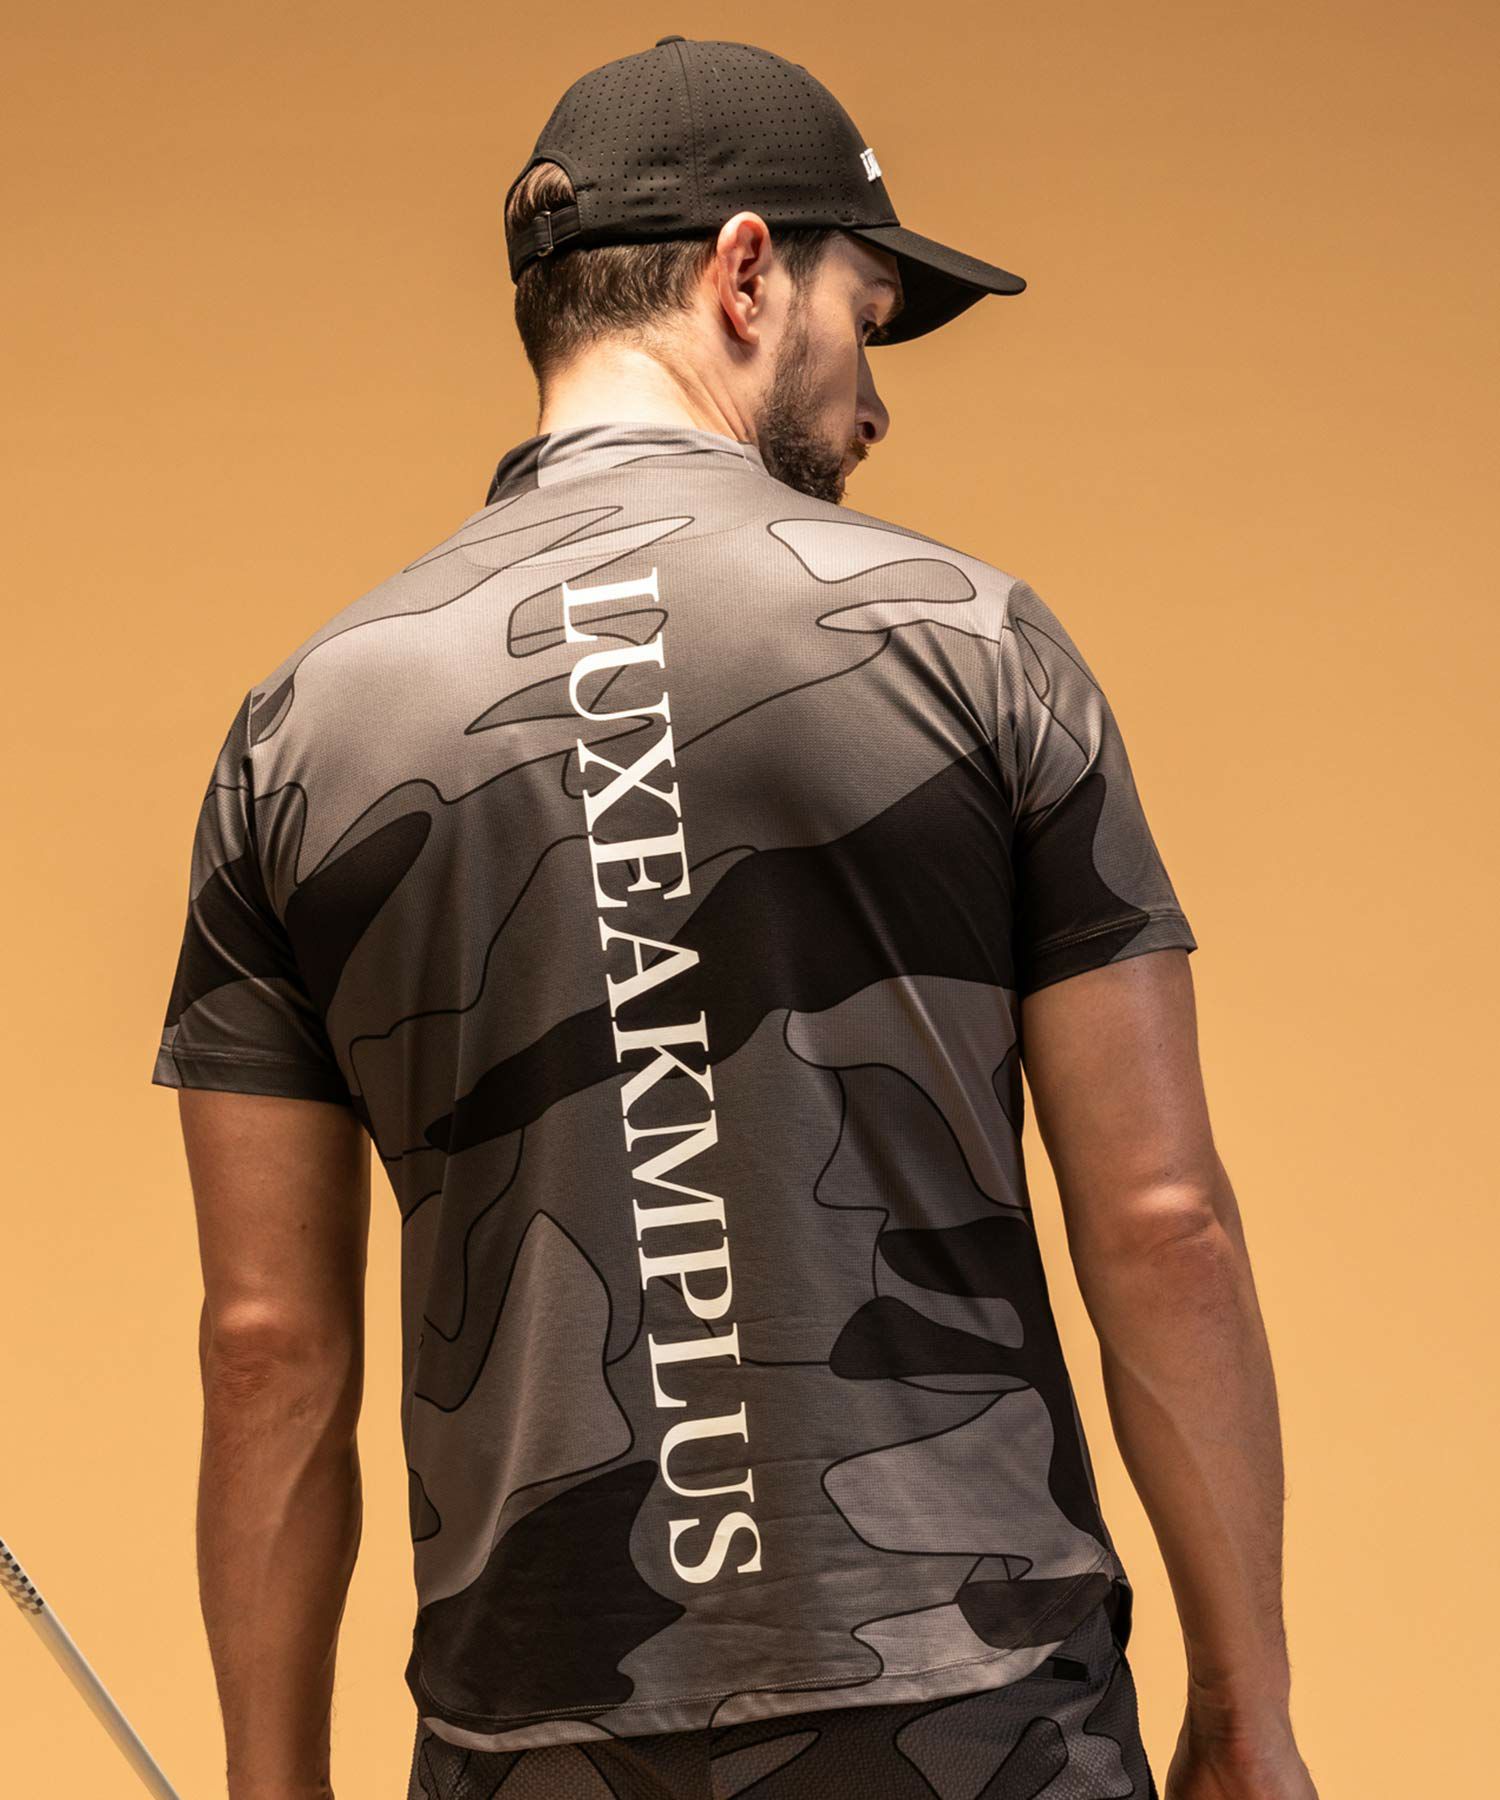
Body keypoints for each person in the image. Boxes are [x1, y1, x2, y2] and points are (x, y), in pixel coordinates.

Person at [151, 35, 1319, 1800]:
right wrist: (1244, 1711)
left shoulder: (302, 732)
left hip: (534, 1738)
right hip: (981, 1718)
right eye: (869, 314)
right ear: (748, 274)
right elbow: (1167, 1230)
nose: (876, 398)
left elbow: (267, 1353)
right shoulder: (975, 646)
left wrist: (270, 1788)